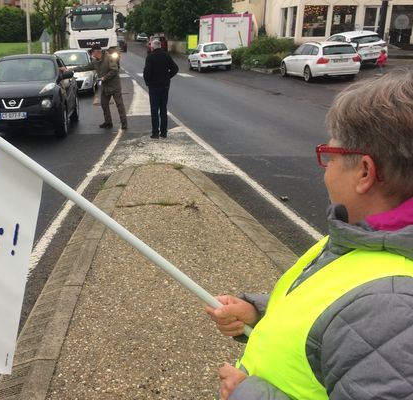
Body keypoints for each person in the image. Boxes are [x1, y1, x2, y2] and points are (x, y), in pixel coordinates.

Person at [206, 70, 413, 400]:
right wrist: (260, 312)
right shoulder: (365, 237)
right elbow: (330, 308)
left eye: (330, 156)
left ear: (364, 172)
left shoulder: (390, 309)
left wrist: (250, 395)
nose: (326, 168)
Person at [74, 44, 127, 130]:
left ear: (97, 52)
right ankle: (108, 122)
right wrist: (72, 69)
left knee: (119, 105)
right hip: (105, 87)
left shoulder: (109, 58)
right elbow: (86, 67)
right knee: (104, 104)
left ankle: (124, 123)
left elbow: (115, 70)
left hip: (114, 86)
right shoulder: (95, 61)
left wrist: (105, 77)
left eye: (92, 52)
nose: (92, 54)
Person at [143, 39, 178, 139]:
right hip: (165, 86)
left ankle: (155, 133)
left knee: (154, 110)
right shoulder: (166, 55)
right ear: (161, 46)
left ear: (153, 47)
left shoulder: (150, 57)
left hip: (154, 87)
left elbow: (147, 72)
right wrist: (167, 77)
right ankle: (164, 132)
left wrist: (148, 83)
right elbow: (175, 68)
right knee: (163, 109)